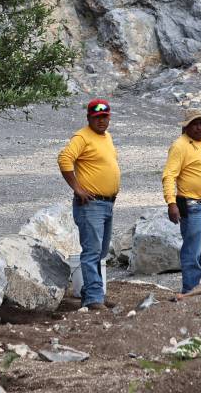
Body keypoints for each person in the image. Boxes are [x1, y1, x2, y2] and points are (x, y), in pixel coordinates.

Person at [57, 98, 119, 310]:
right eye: (97, 118)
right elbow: (65, 159)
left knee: (100, 252)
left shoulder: (107, 137)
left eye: (105, 117)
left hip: (107, 203)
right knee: (92, 252)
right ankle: (94, 298)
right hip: (91, 204)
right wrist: (77, 187)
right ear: (89, 118)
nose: (102, 121)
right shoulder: (82, 137)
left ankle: (94, 293)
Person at [162, 110, 201, 294]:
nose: (199, 127)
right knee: (192, 251)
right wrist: (171, 203)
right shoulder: (179, 145)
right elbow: (169, 176)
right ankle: (190, 289)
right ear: (186, 125)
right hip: (192, 205)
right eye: (195, 123)